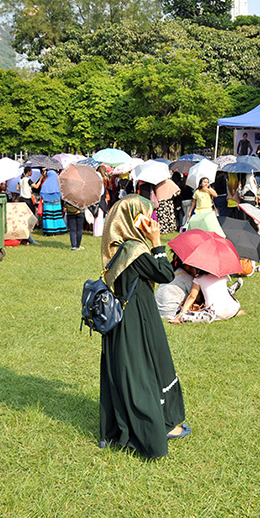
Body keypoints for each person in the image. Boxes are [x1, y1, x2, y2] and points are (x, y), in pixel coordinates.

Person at [99, 195, 188, 457]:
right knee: (142, 370)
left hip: (126, 317)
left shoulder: (117, 246)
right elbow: (165, 274)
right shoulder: (132, 250)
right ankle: (153, 430)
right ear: (131, 219)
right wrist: (157, 242)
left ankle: (125, 425)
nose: (151, 221)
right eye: (146, 216)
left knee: (131, 369)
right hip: (137, 318)